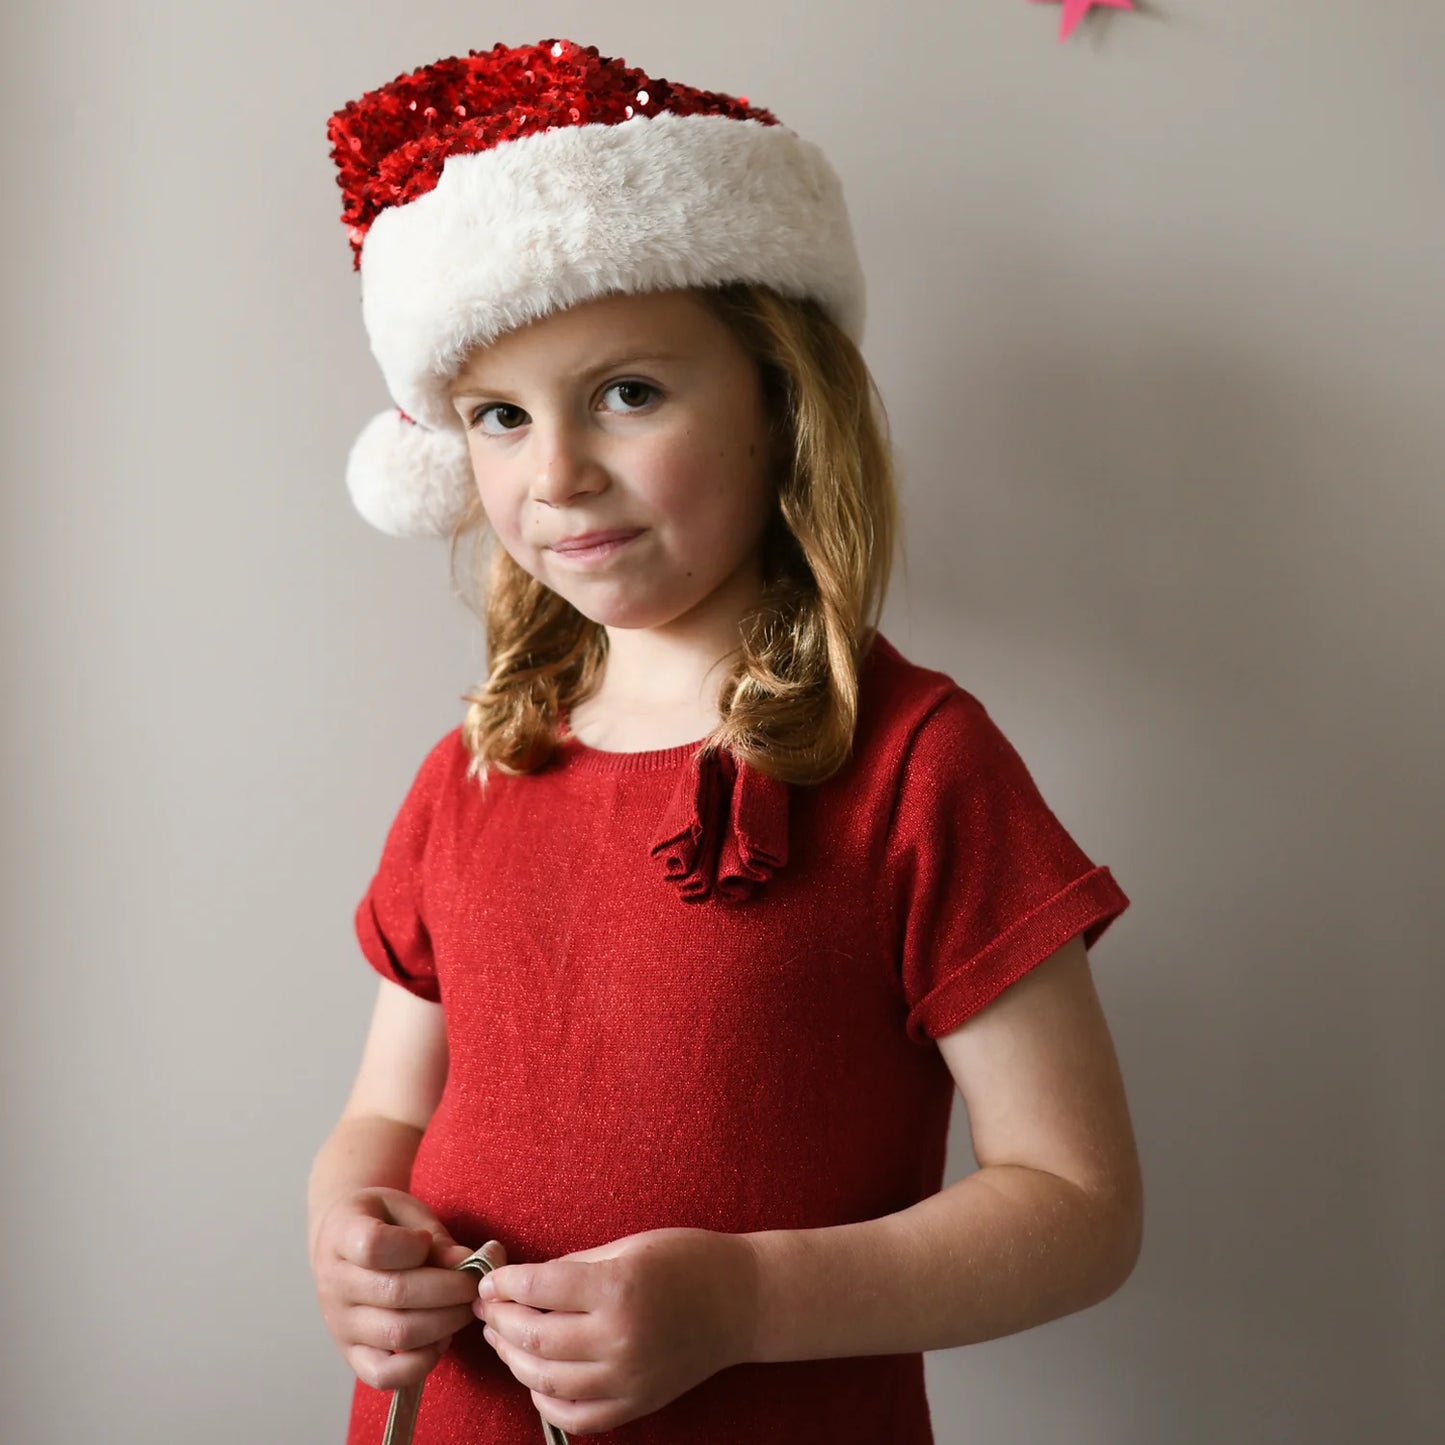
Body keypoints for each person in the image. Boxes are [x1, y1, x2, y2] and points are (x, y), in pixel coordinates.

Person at [307, 37, 1143, 1445]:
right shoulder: (473, 767)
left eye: (627, 391)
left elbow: (1075, 1205)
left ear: (779, 406)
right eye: (499, 418)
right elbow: (386, 1115)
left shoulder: (920, 767)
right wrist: (347, 1238)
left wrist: (745, 1300)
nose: (556, 471)